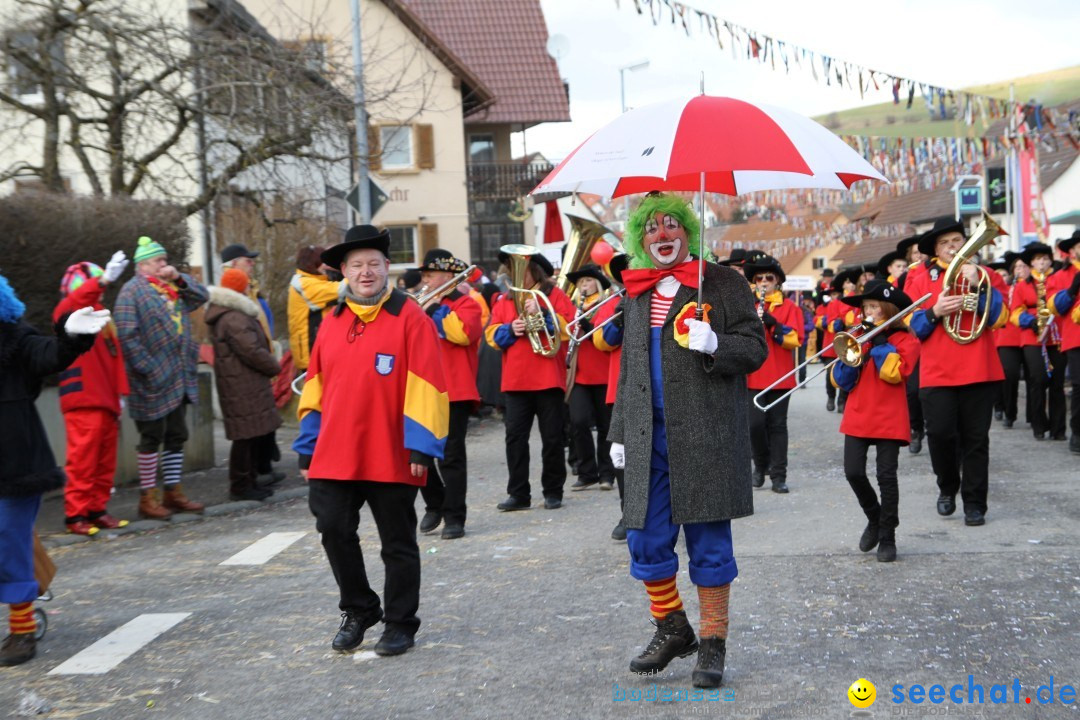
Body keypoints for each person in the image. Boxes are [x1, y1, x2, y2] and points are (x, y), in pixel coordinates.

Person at [608, 192, 767, 689]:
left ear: (687, 231)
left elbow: (757, 347)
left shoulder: (722, 283)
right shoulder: (634, 292)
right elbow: (629, 367)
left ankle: (713, 642)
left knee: (709, 542)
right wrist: (617, 432)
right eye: (651, 228)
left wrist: (717, 342)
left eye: (671, 225)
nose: (662, 235)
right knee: (644, 537)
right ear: (640, 238)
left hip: (705, 435)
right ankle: (673, 627)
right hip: (645, 434)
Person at [294, 225, 448, 657]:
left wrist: (422, 445)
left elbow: (430, 384)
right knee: (332, 528)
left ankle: (401, 624)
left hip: (391, 449)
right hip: (335, 450)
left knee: (397, 543)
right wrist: (307, 444)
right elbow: (316, 386)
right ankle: (360, 608)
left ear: (386, 268)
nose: (366, 272)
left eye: (374, 264)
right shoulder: (333, 320)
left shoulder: (411, 317)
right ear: (343, 270)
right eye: (357, 265)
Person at [1, 271, 108, 666]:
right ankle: (36, 581)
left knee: (8, 539)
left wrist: (71, 336)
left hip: (15, 463)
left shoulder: (13, 338)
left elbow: (48, 354)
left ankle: (23, 629)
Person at [907, 218, 1007, 527]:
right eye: (945, 243)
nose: (952, 247)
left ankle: (975, 504)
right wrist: (935, 311)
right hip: (937, 372)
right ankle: (947, 487)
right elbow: (914, 327)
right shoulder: (920, 278)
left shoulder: (986, 275)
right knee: (940, 435)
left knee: (976, 440)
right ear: (935, 249)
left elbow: (999, 319)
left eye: (956, 241)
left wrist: (977, 286)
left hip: (980, 368)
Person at [115, 236, 208, 519]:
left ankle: (173, 491)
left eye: (165, 260)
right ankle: (147, 497)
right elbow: (126, 336)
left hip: (178, 375)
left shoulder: (169, 288)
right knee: (151, 437)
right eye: (159, 260)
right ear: (143, 265)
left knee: (177, 435)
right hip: (151, 380)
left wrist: (178, 276)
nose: (164, 264)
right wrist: (150, 368)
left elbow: (201, 296)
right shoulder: (131, 292)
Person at [830, 280, 921, 562]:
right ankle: (876, 517)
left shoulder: (907, 340)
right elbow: (841, 382)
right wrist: (849, 356)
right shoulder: (859, 336)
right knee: (853, 472)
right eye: (866, 307)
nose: (868, 311)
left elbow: (895, 374)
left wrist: (881, 345)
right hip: (858, 412)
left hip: (889, 415)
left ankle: (887, 536)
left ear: (888, 309)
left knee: (886, 477)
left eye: (874, 306)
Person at [484, 248, 574, 511]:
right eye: (511, 269)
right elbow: (491, 335)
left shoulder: (554, 295)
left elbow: (569, 328)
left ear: (534, 269)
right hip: (516, 380)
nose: (514, 274)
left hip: (548, 378)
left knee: (553, 438)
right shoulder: (504, 300)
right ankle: (518, 493)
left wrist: (544, 313)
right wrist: (509, 328)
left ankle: (553, 491)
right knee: (514, 440)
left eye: (518, 268)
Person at [52, 253, 131, 535]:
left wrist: (121, 393)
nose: (102, 288)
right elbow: (75, 303)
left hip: (106, 400)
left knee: (103, 461)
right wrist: (104, 278)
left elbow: (115, 358)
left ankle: (97, 510)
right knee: (83, 461)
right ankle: (76, 516)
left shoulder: (101, 317)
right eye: (96, 284)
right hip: (84, 399)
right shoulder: (68, 312)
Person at [413, 249, 482, 540]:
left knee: (451, 457)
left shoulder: (467, 304)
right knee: (415, 451)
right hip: (420, 388)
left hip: (455, 388)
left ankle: (455, 517)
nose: (425, 280)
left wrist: (434, 309)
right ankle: (435, 502)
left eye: (430, 274)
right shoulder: (416, 303)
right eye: (424, 276)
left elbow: (463, 334)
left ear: (448, 276)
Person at [205, 268, 283, 501]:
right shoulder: (235, 317)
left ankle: (248, 483)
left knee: (249, 436)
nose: (250, 289)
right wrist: (274, 366)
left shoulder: (228, 313)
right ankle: (241, 486)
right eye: (247, 285)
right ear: (239, 288)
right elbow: (251, 350)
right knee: (245, 438)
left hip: (241, 384)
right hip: (242, 385)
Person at [743, 255, 804, 494]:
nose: (764, 282)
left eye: (769, 278)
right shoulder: (747, 306)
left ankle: (779, 475)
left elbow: (794, 340)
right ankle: (761, 466)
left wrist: (774, 324)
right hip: (753, 375)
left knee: (778, 426)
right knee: (755, 425)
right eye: (759, 279)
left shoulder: (790, 308)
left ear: (777, 281)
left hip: (780, 376)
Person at [565, 264, 616, 493]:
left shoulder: (607, 304)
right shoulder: (574, 305)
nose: (583, 285)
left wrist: (590, 326)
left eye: (588, 281)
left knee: (606, 426)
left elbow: (609, 334)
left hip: (604, 370)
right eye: (580, 282)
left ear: (598, 283)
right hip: (580, 373)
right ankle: (587, 472)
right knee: (578, 421)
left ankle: (606, 473)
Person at [1010, 242, 1067, 441]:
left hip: (1057, 336)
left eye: (1045, 259)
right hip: (1032, 338)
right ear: (1031, 263)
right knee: (1039, 380)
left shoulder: (1058, 280)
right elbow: (1014, 313)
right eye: (1037, 260)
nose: (1041, 263)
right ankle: (1039, 425)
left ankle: (1058, 428)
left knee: (1057, 383)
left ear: (1050, 260)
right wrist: (1030, 321)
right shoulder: (1022, 285)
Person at [591, 255, 629, 540]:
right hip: (622, 387)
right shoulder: (615, 302)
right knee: (622, 454)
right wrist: (618, 320)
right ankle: (628, 511)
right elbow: (601, 342)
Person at [1047, 231, 1080, 452]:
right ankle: (1077, 432)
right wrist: (1073, 288)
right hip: (1076, 337)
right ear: (1072, 250)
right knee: (1079, 386)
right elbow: (1054, 307)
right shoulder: (1060, 276)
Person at [288, 245, 340, 374]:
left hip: (314, 351)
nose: (327, 265)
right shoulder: (305, 284)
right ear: (314, 263)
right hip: (310, 354)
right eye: (324, 261)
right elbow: (343, 289)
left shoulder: (310, 281)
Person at [995, 253, 1028, 429]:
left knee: (1034, 377)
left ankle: (1033, 416)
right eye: (1018, 267)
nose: (1021, 270)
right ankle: (1009, 411)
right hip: (1008, 337)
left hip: (1030, 334)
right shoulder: (1007, 290)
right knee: (1010, 375)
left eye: (1024, 266)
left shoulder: (1036, 286)